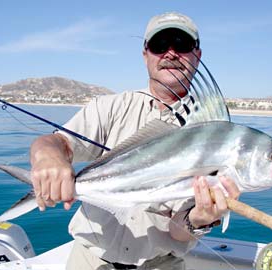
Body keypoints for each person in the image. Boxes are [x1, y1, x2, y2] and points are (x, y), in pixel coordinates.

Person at [30, 11, 240, 270]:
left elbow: (178, 233)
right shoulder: (109, 107)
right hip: (89, 260)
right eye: (159, 45)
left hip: (161, 264)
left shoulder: (217, 136)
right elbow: (54, 143)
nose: (170, 54)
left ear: (197, 55)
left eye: (182, 45)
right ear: (145, 55)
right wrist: (48, 157)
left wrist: (198, 220)